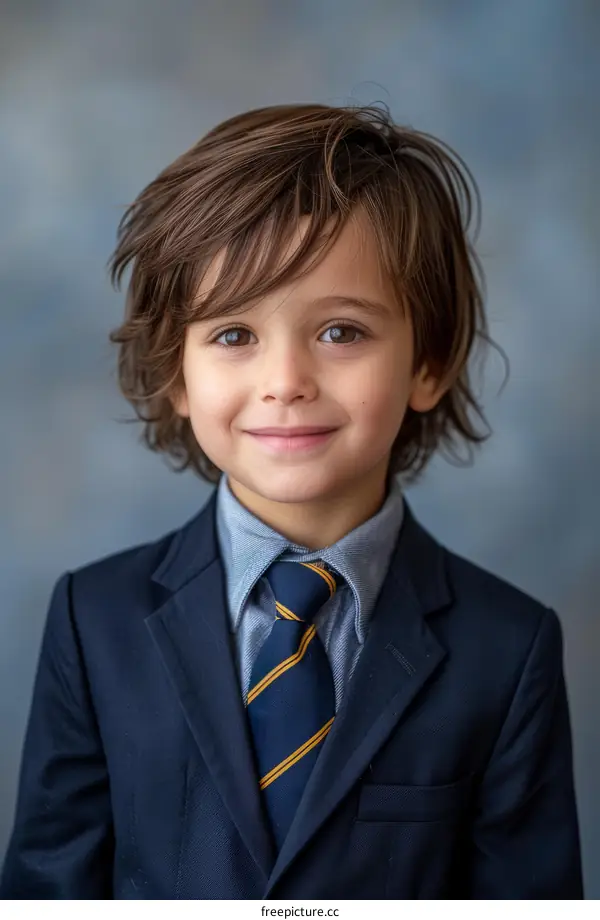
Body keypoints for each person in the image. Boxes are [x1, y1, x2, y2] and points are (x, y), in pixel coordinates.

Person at [0, 102, 583, 899]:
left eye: (341, 332)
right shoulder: (92, 620)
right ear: (176, 372)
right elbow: (48, 896)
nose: (285, 383)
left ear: (430, 363)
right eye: (234, 334)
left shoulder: (508, 650)